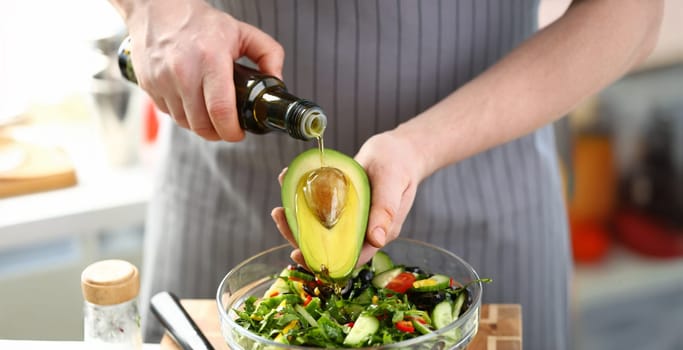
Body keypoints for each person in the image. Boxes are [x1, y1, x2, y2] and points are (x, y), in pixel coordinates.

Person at [106, 0, 663, 349]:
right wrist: (156, 10)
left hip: (488, 198)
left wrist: (422, 144)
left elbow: (633, 14)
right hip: (227, 199)